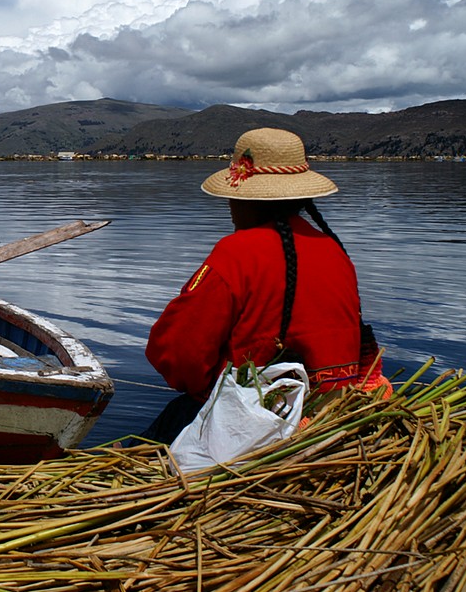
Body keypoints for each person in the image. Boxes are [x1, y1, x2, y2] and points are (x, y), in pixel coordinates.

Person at [141, 127, 389, 444]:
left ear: (248, 200)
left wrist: (202, 384)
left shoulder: (236, 255)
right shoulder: (334, 251)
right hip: (330, 420)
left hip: (254, 427)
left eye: (233, 196)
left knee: (167, 425)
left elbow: (177, 354)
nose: (230, 206)